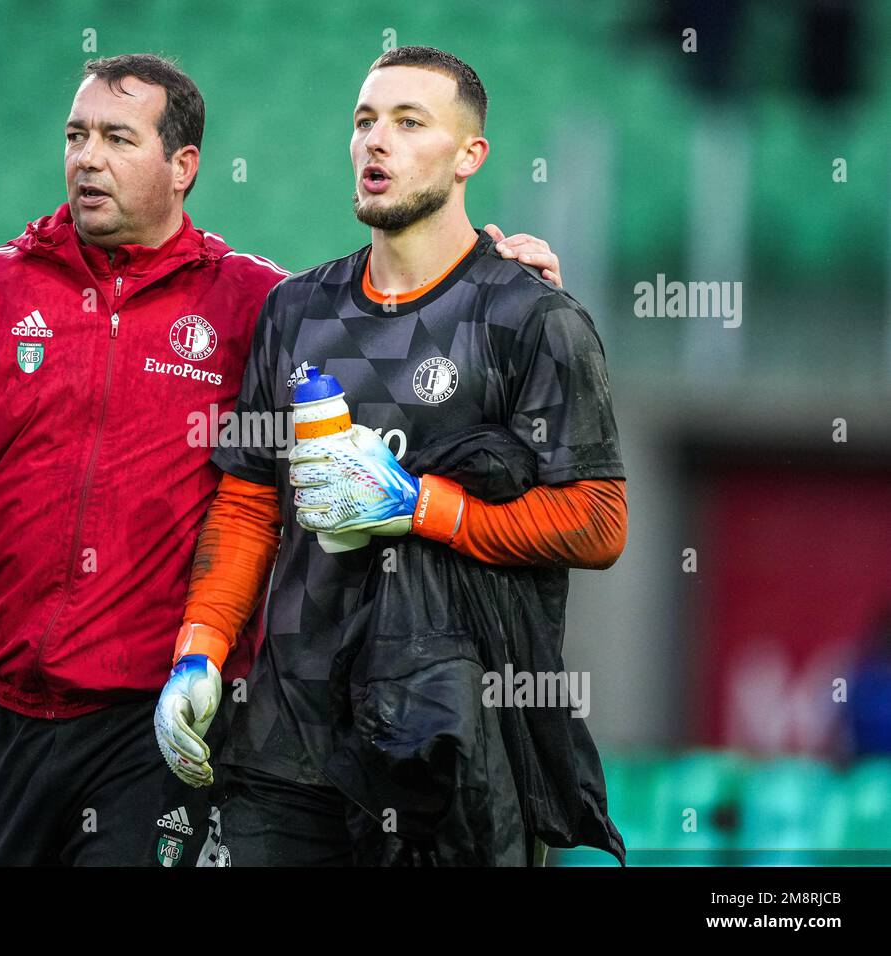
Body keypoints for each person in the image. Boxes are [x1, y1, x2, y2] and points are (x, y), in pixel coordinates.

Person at [0, 52, 564, 866]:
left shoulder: (258, 306)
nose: (87, 158)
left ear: (183, 167)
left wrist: (493, 296)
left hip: (161, 730)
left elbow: (407, 377)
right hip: (0, 726)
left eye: (117, 139)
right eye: (76, 135)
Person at [154, 46, 626, 865]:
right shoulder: (296, 310)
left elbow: (598, 520)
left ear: (470, 155)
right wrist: (199, 648)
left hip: (448, 746)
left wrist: (421, 508)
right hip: (286, 742)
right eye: (365, 121)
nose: (378, 141)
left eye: (410, 123)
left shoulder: (532, 319)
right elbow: (248, 502)